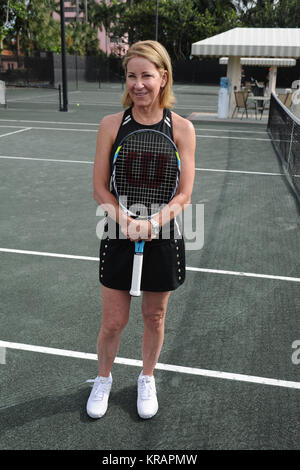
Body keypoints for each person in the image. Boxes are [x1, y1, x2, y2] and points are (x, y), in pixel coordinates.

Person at [87, 40, 195, 420]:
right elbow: (100, 187)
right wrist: (126, 221)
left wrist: (152, 223)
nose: (138, 84)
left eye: (146, 75)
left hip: (163, 235)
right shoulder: (111, 125)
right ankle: (103, 378)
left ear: (162, 77)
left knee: (155, 317)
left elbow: (184, 193)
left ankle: (146, 377)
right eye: (131, 76)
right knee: (113, 321)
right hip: (117, 231)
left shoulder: (181, 129)